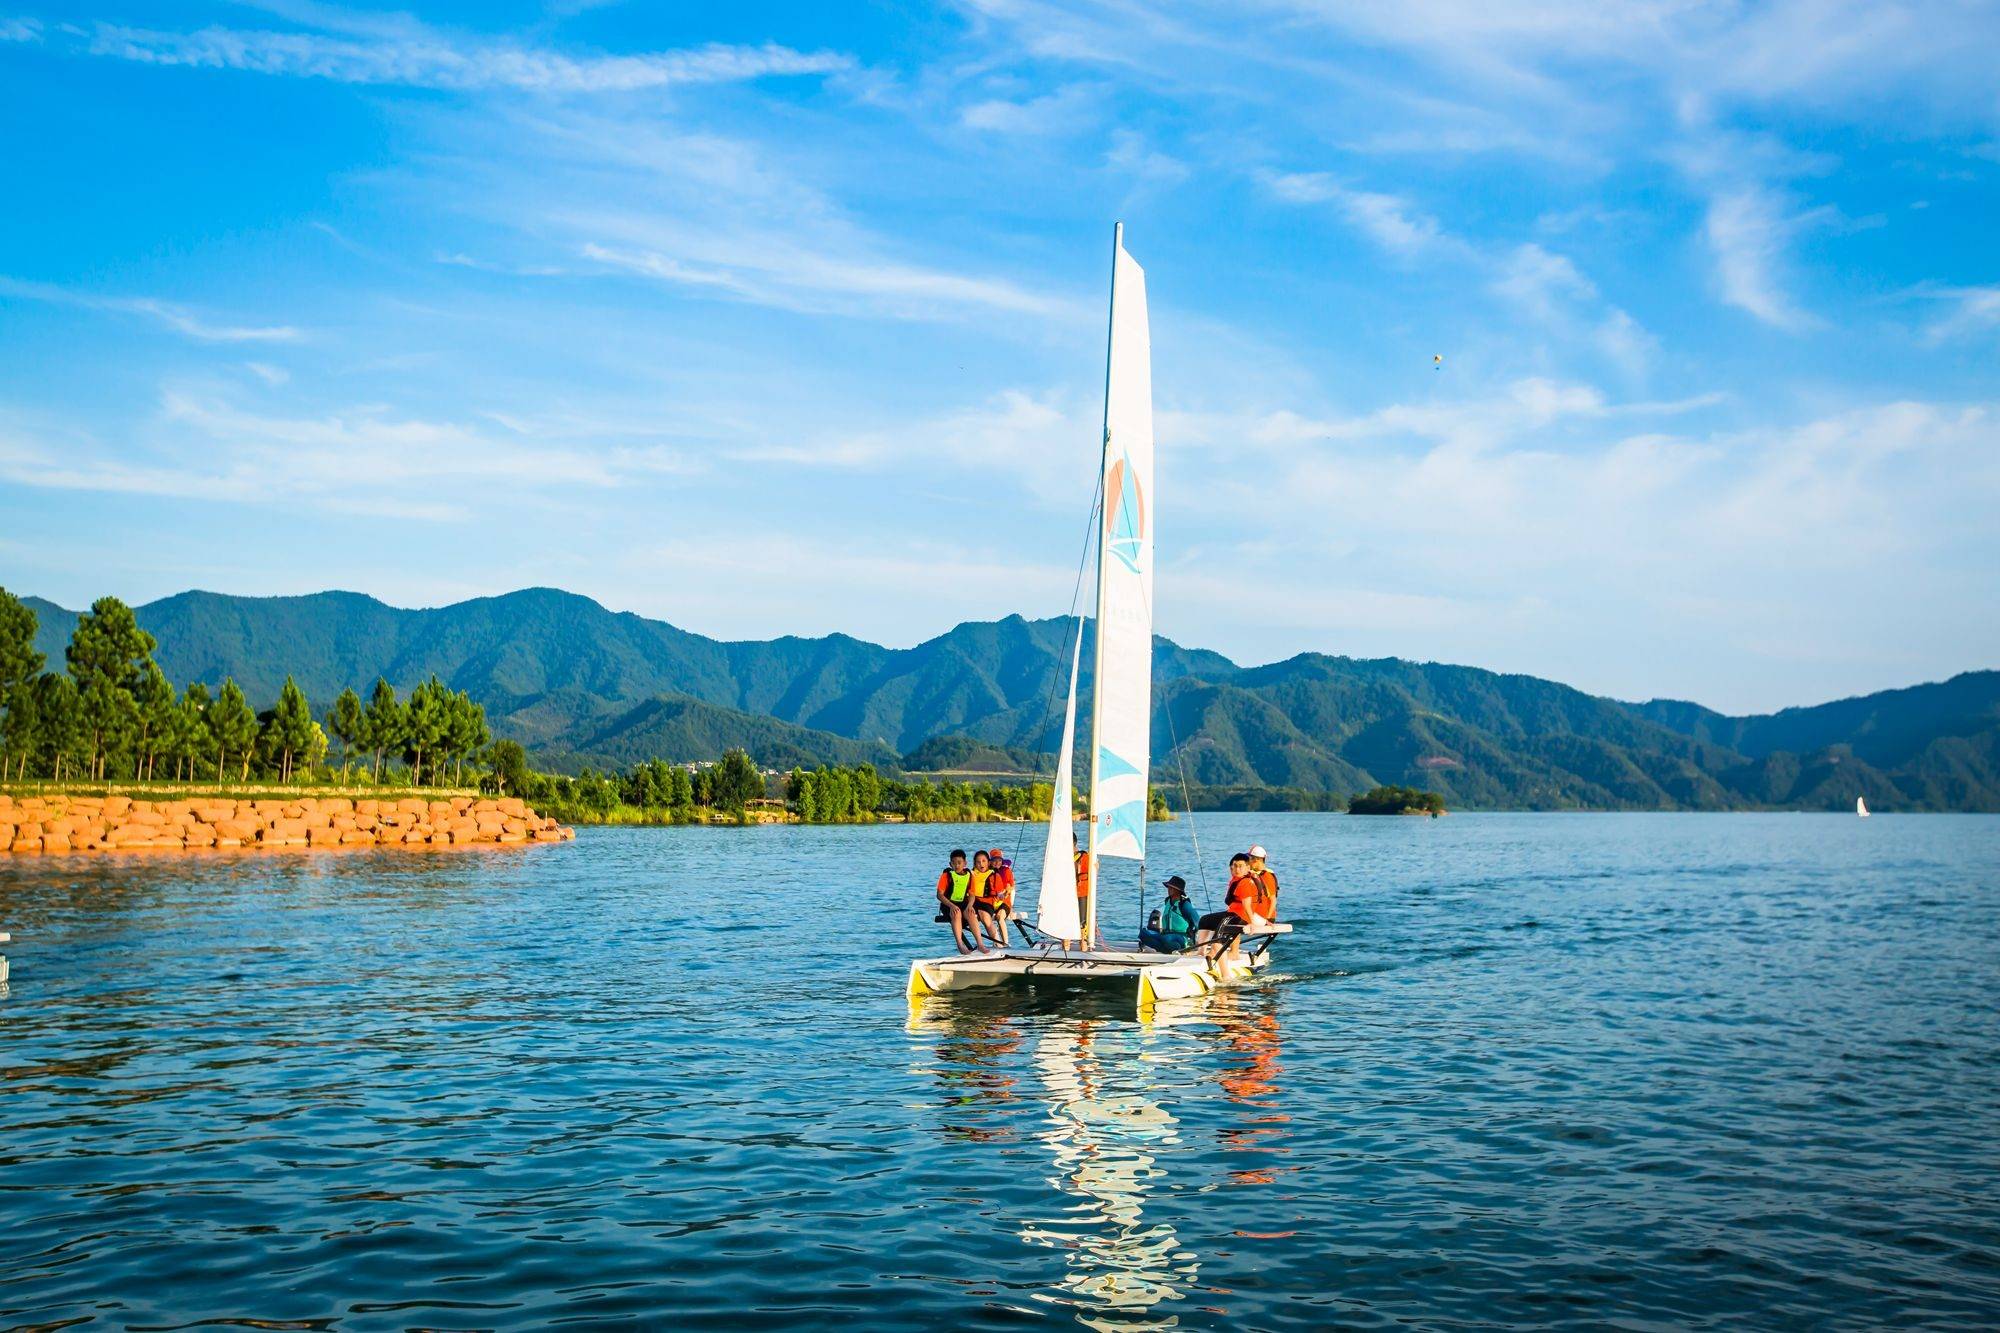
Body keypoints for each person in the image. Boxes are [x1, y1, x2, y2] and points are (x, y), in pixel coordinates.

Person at [1195, 853, 1260, 959]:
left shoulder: (1245, 883)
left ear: (1247, 868)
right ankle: (1201, 952)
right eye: (1234, 866)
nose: (1237, 869)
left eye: (1240, 866)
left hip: (1240, 917)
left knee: (1218, 936)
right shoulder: (1236, 879)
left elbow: (1247, 905)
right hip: (1233, 914)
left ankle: (1216, 955)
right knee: (1205, 920)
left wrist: (1252, 923)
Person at [934, 849, 988, 954]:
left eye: (959, 863)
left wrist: (970, 906)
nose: (957, 866)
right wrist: (951, 906)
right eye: (954, 863)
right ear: (950, 864)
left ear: (965, 863)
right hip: (948, 904)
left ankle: (980, 944)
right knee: (957, 912)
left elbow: (972, 894)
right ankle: (960, 944)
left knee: (971, 913)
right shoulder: (946, 875)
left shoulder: (969, 875)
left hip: (963, 903)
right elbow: (939, 895)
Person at [1139, 875, 1200, 952]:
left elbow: (1198, 923)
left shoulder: (1184, 904)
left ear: (1178, 890)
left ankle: (1179, 948)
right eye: (1168, 887)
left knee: (1167, 938)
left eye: (1172, 888)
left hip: (1183, 938)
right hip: (1166, 936)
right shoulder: (1167, 901)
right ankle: (1168, 949)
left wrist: (1196, 940)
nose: (1169, 889)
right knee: (1143, 933)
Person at [1248, 844, 1280, 922]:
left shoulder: (1267, 876)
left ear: (1256, 860)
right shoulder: (1255, 874)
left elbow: (1273, 900)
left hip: (1265, 917)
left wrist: (1267, 919)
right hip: (1257, 915)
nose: (1248, 862)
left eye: (1250, 859)